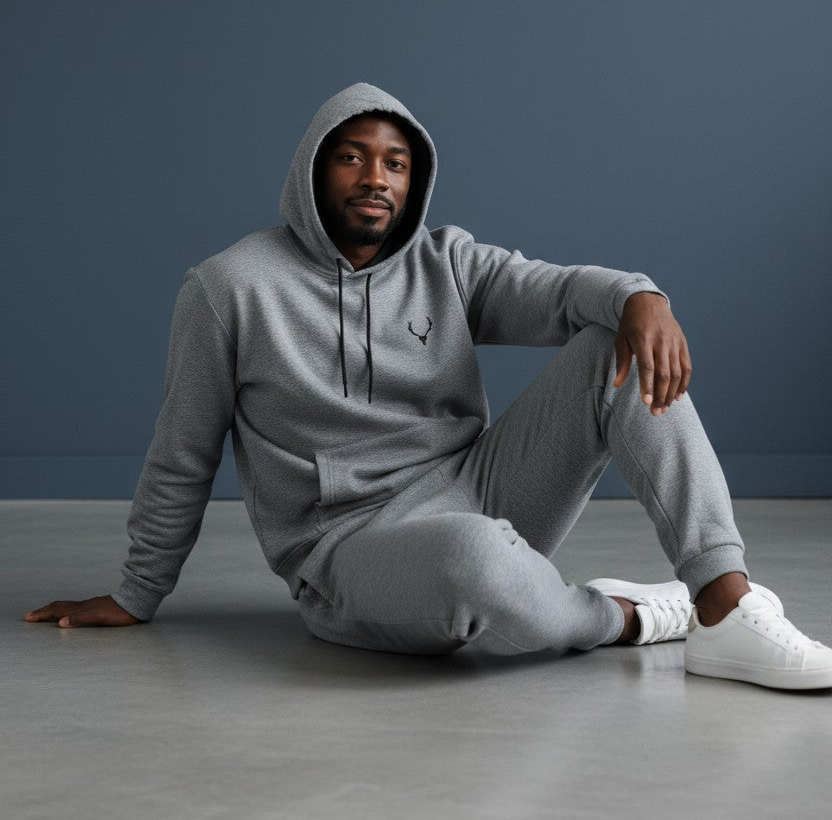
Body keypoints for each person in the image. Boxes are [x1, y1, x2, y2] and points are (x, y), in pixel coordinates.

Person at [23, 83, 832, 690]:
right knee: (474, 558)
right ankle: (626, 617)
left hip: (479, 489)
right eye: (353, 157)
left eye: (396, 163)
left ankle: (725, 604)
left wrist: (639, 298)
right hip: (347, 549)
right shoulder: (229, 288)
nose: (376, 177)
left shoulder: (444, 262)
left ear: (414, 181)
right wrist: (137, 592)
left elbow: (556, 291)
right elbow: (183, 449)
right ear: (312, 170)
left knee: (608, 348)